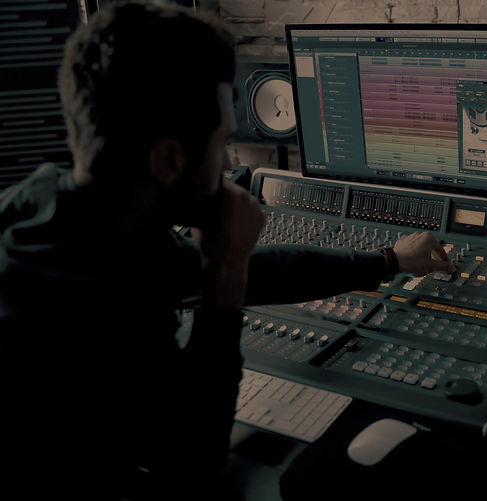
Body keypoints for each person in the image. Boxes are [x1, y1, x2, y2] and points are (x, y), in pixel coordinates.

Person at [0, 1, 454, 499]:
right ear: (169, 159)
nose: (226, 166)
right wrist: (227, 269)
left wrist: (388, 260)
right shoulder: (97, 304)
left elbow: (257, 273)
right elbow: (191, 461)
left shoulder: (54, 204)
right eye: (221, 145)